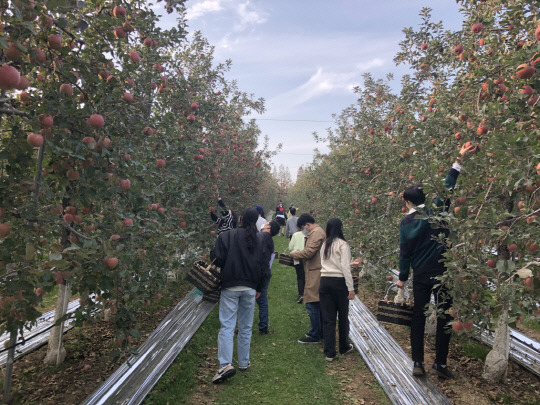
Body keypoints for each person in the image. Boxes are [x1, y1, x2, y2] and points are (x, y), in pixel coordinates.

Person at [396, 144, 475, 379]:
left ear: (406, 202)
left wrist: (402, 279)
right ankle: (440, 364)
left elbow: (404, 254)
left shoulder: (406, 223)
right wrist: (458, 160)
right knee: (443, 315)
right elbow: (448, 188)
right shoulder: (436, 211)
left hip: (420, 274)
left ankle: (418, 362)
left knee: (418, 316)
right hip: (443, 274)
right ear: (424, 199)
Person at [210, 208, 268, 384]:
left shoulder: (227, 236)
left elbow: (217, 258)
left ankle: (225, 364)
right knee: (246, 326)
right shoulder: (260, 239)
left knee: (227, 325)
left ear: (241, 219)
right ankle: (243, 362)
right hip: (250, 287)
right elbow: (265, 267)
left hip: (230, 285)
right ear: (256, 221)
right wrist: (259, 287)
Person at [319, 218, 355, 361]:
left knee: (328, 317)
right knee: (343, 315)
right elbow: (344, 267)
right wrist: (350, 288)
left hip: (324, 280)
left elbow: (329, 263)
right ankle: (344, 346)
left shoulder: (324, 244)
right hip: (339, 282)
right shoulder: (342, 245)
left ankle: (329, 352)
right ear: (340, 228)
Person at [289, 213, 325, 343]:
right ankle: (318, 332)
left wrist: (295, 254)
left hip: (315, 272)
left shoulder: (316, 234)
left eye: (304, 228)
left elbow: (309, 252)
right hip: (313, 270)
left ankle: (315, 335)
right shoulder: (316, 232)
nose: (305, 230)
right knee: (315, 303)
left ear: (307, 225)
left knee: (312, 303)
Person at [256, 220, 280, 335]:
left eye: (266, 223)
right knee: (262, 301)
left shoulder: (262, 236)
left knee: (250, 301)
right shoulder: (269, 240)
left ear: (268, 227)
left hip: (259, 274)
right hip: (265, 274)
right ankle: (263, 327)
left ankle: (244, 326)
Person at [288, 228, 305, 304]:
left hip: (297, 257)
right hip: (307, 257)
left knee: (300, 276)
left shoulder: (295, 235)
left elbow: (290, 247)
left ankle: (301, 294)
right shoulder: (310, 234)